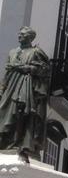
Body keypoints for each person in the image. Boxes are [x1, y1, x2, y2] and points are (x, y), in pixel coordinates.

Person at [0, 27, 51, 159]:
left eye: (22, 34)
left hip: (26, 85)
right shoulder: (12, 52)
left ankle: (17, 142)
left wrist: (23, 68)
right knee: (3, 111)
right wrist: (2, 89)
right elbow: (7, 73)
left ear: (30, 37)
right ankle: (6, 141)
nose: (19, 36)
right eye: (19, 34)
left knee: (21, 111)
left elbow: (44, 71)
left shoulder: (36, 52)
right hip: (11, 86)